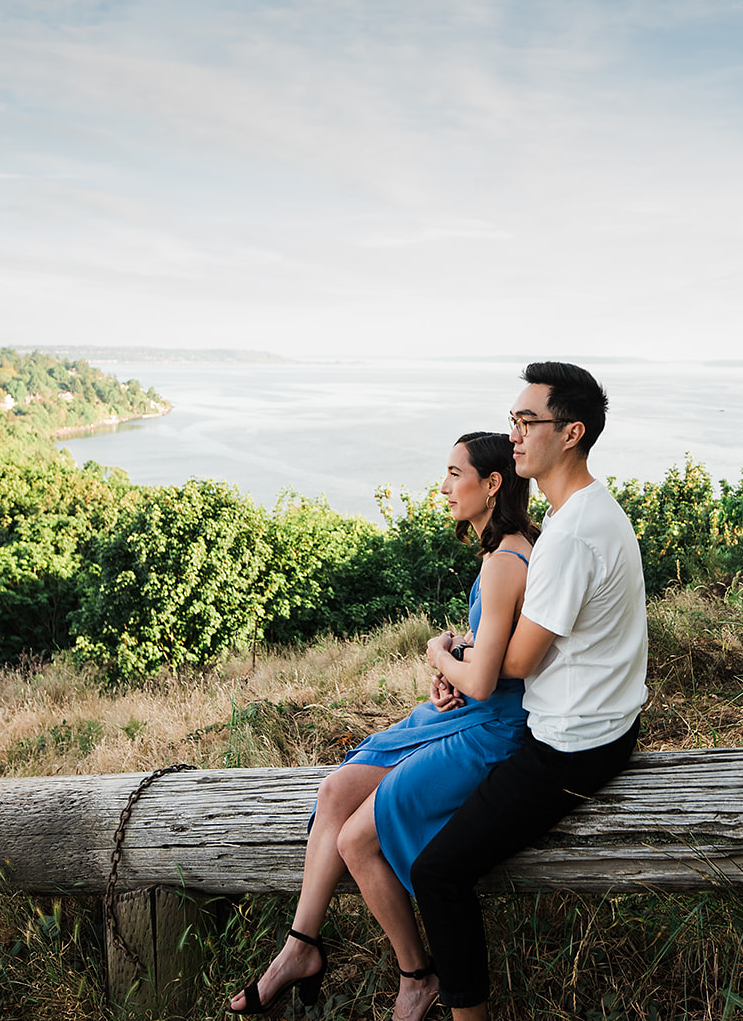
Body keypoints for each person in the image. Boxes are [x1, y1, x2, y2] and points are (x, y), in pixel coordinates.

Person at [227, 432, 539, 1020]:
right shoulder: (508, 551)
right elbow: (498, 649)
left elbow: (489, 677)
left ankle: (416, 976)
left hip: (491, 729)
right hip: (473, 708)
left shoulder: (504, 561)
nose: (443, 487)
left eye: (454, 474)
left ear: (492, 484)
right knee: (336, 790)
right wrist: (457, 649)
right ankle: (300, 947)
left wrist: (437, 654)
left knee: (356, 836)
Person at [415, 361, 648, 1019]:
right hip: (602, 723)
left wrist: (440, 651)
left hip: (573, 747)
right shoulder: (589, 511)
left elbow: (512, 665)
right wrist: (468, 650)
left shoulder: (569, 536)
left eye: (527, 422)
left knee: (439, 872)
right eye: (513, 421)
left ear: (570, 432)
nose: (514, 434)